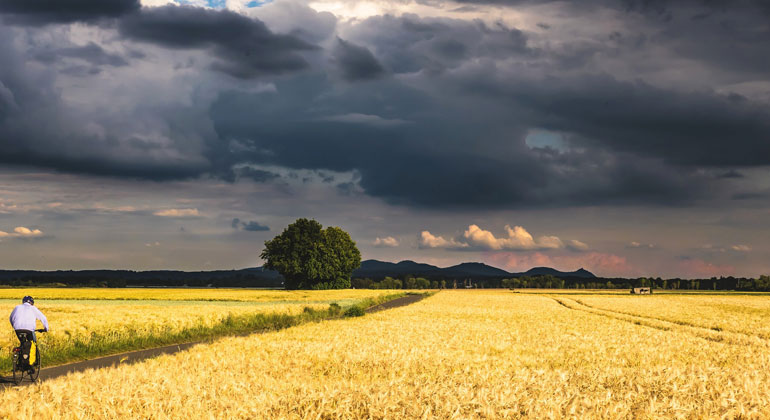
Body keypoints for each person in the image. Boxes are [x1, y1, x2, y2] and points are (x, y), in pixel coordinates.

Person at [10, 296, 49, 374]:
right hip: (29, 330)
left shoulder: (17, 307)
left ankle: (20, 362)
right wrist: (46, 329)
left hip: (17, 329)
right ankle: (30, 365)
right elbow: (43, 318)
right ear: (31, 302)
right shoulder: (33, 308)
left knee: (23, 344)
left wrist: (15, 326)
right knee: (32, 344)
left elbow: (11, 318)